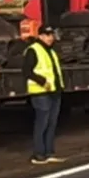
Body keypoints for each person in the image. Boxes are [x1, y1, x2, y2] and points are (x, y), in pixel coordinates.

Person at [24, 25, 65, 165]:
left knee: (52, 123)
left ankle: (49, 152)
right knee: (42, 122)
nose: (50, 38)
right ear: (40, 36)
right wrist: (42, 82)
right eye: (47, 35)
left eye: (51, 35)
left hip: (54, 91)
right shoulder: (33, 50)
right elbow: (27, 71)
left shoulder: (51, 51)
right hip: (40, 92)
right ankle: (38, 154)